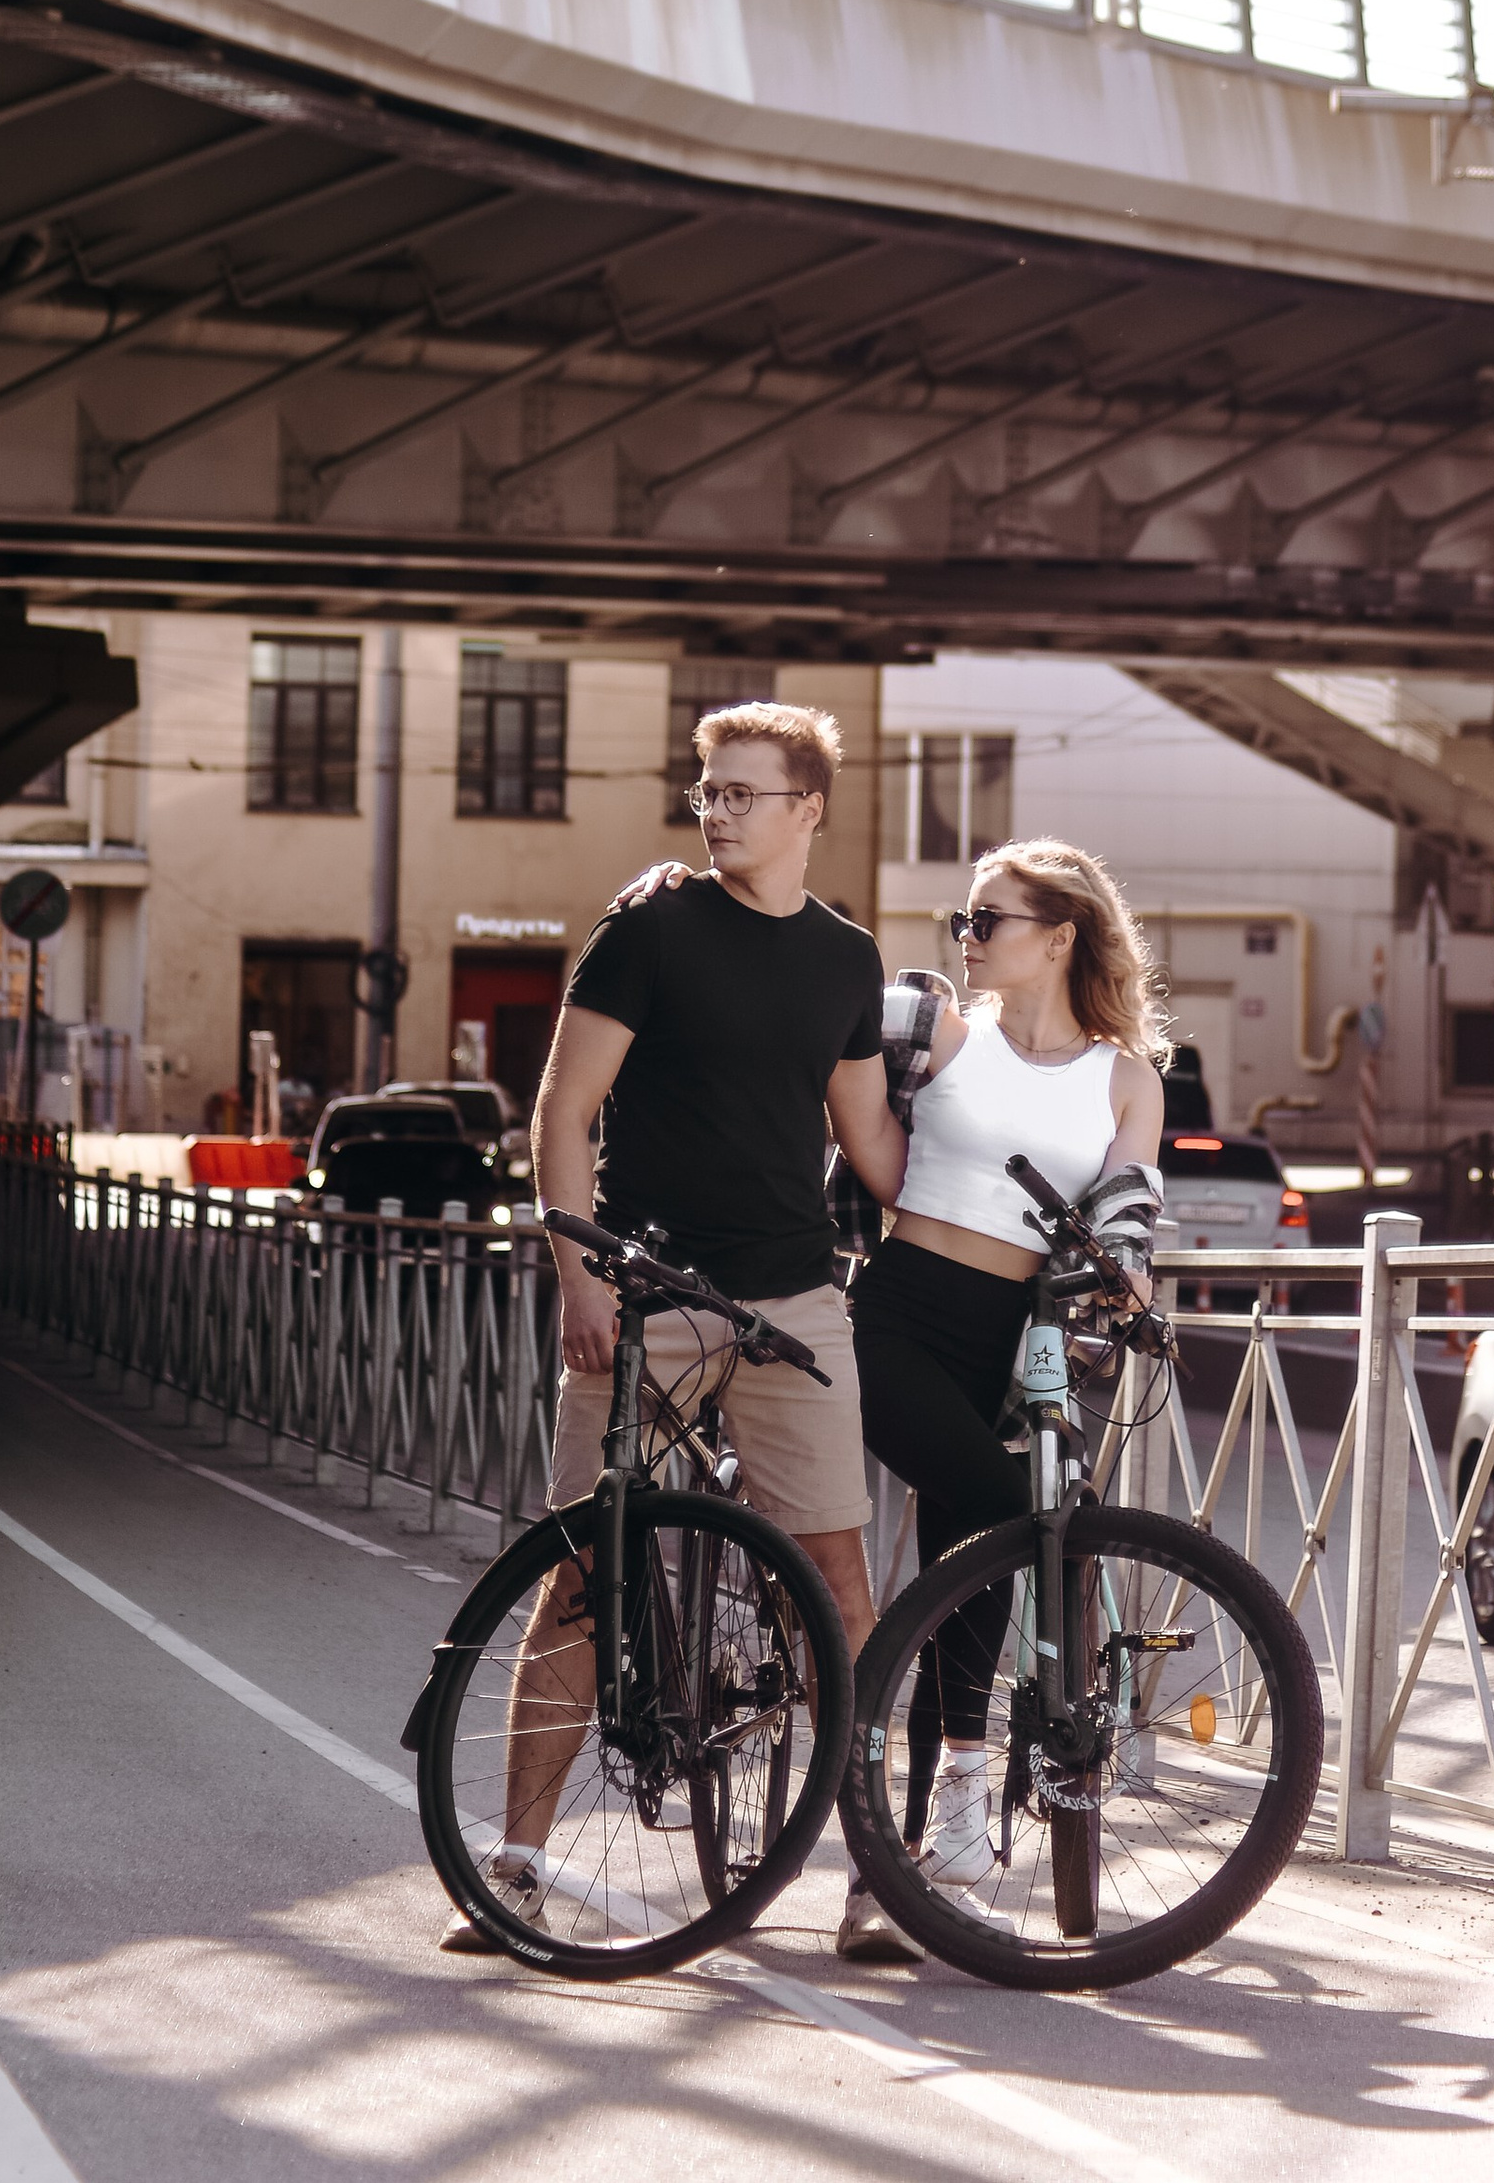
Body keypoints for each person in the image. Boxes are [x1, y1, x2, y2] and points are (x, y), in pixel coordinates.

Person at [439, 699, 910, 1963]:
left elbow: (868, 1143)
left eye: (744, 793)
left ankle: (878, 1876)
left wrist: (1002, 1207)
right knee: (582, 1580)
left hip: (791, 1296)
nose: (717, 811)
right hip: (643, 1292)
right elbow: (564, 1108)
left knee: (841, 1592)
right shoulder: (647, 928)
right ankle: (520, 1864)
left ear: (809, 807)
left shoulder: (844, 959)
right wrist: (577, 1274)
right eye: (707, 790)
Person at [850, 835, 1167, 1915]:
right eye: (966, 919)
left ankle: (922, 1845)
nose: (968, 937)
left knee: (968, 1570)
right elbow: (837, 1090)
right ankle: (955, 1805)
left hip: (1018, 1343)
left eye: (990, 919)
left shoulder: (1125, 1077)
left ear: (1061, 935)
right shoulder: (933, 1029)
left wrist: (1125, 1268)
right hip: (898, 1312)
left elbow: (1128, 1212)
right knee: (1000, 1527)